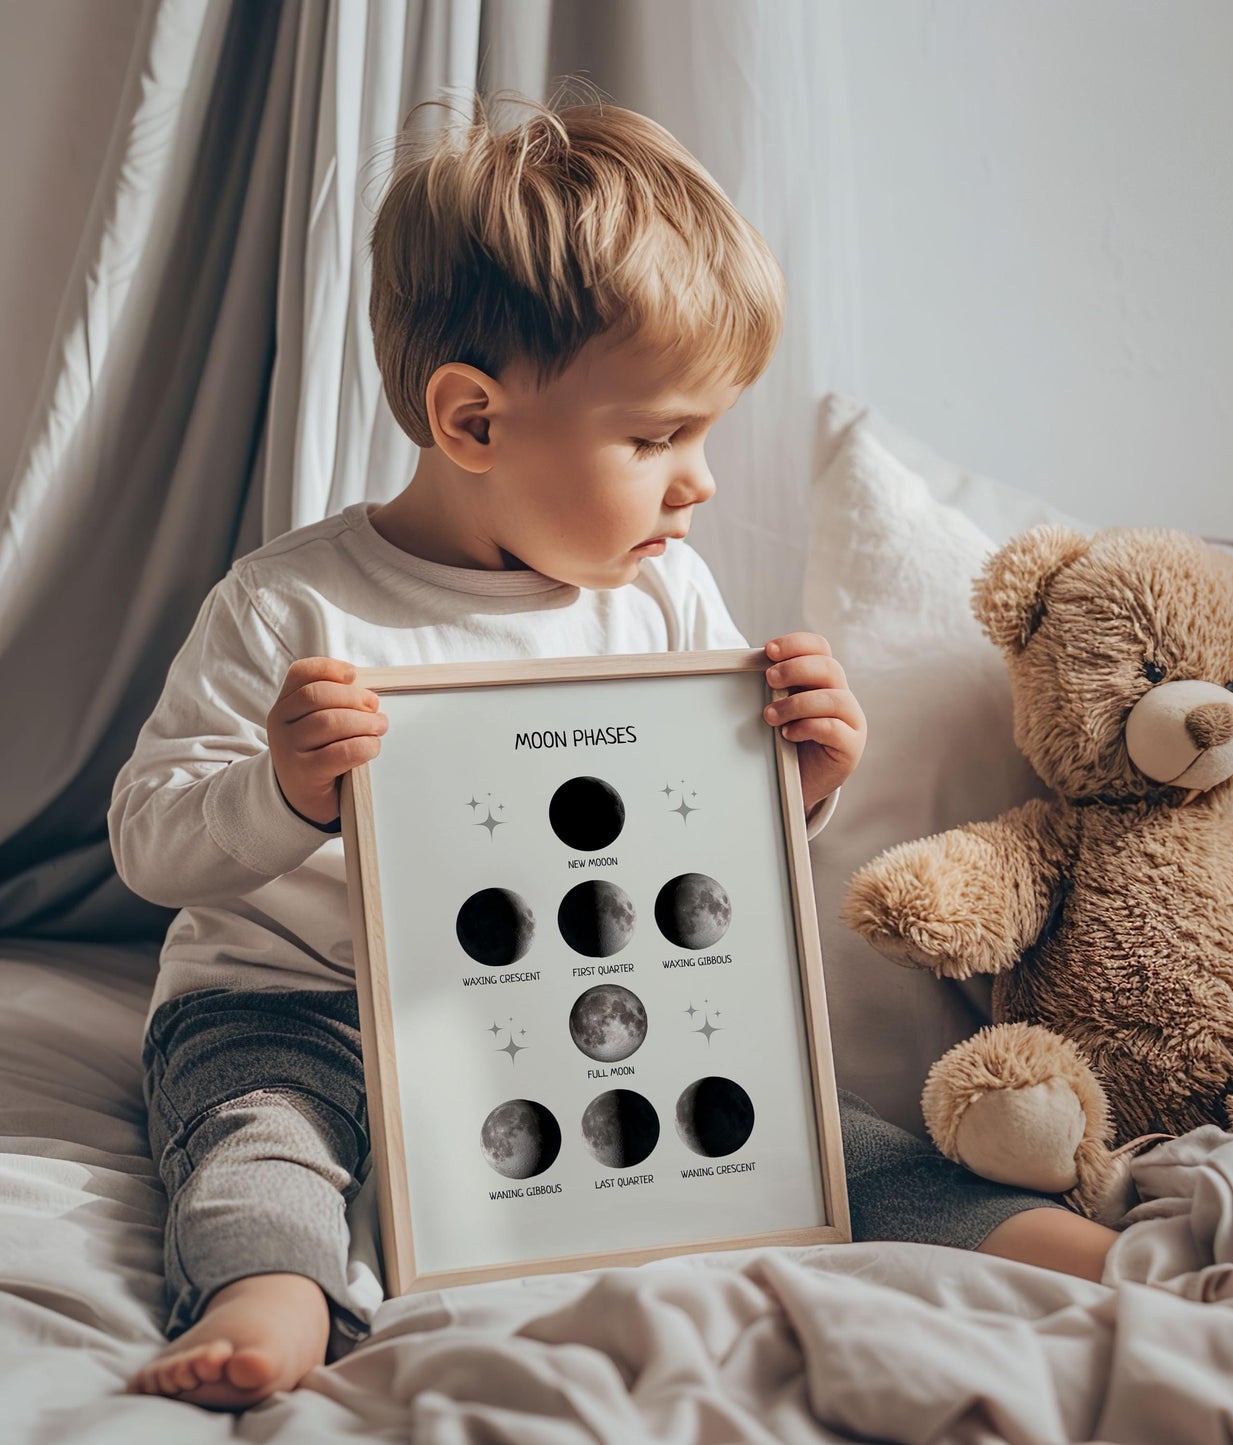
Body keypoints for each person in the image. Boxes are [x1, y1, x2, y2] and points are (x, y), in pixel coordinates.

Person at [110, 93, 1114, 1412]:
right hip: (299, 1006)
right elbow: (148, 840)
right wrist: (283, 789)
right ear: (471, 422)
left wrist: (788, 787)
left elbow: (687, 851)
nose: (696, 481)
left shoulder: (659, 596)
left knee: (806, 1133)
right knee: (258, 1140)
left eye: (698, 432)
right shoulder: (292, 606)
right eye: (654, 438)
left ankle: (1038, 1241)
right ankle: (271, 1293)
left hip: (558, 995)